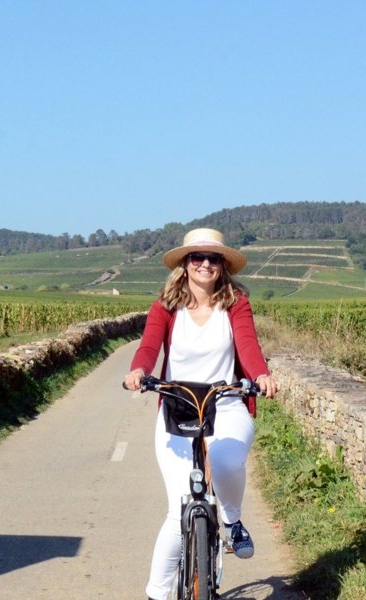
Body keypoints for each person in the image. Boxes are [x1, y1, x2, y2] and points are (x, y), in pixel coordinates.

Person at [122, 227, 280, 600]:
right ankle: (156, 595)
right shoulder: (166, 304)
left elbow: (248, 346)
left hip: (225, 404)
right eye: (198, 257)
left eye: (213, 258)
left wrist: (261, 375)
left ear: (223, 265)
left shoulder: (236, 303)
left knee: (225, 464)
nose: (206, 264)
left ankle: (232, 519)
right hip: (178, 410)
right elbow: (148, 346)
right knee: (178, 513)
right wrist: (139, 371)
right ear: (185, 265)